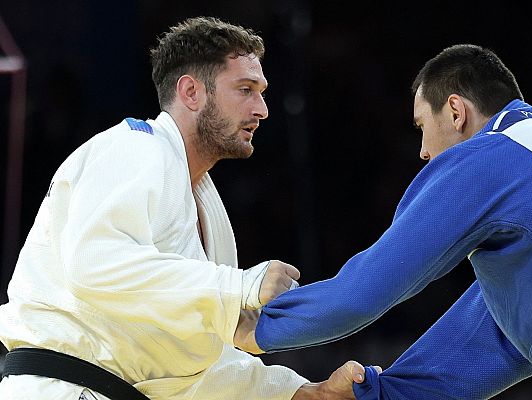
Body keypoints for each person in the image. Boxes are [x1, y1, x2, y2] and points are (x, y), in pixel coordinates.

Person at [238, 44, 532, 399]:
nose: (423, 152)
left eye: (422, 126)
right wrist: (378, 393)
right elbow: (491, 342)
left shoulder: (494, 155)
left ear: (457, 111)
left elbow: (364, 290)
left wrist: (251, 326)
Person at [0, 16, 367, 400]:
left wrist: (301, 392)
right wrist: (237, 287)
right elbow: (94, 264)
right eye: (245, 89)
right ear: (191, 92)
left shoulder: (205, 201)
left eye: (261, 92)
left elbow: (191, 365)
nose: (262, 109)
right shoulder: (135, 147)